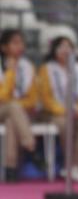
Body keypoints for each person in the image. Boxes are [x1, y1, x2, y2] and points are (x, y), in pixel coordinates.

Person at [36, 36, 78, 183]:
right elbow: (46, 98)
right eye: (62, 47)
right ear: (54, 50)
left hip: (76, 111)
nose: (66, 50)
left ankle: (74, 166)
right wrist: (64, 111)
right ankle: (70, 165)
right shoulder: (46, 69)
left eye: (69, 47)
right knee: (63, 124)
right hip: (54, 112)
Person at [0, 29, 37, 181]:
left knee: (12, 120)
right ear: (3, 47)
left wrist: (18, 104)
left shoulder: (28, 66)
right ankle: (30, 143)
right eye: (15, 42)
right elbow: (2, 97)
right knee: (13, 108)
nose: (20, 46)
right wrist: (10, 73)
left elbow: (33, 99)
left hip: (18, 114)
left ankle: (11, 169)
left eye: (22, 42)